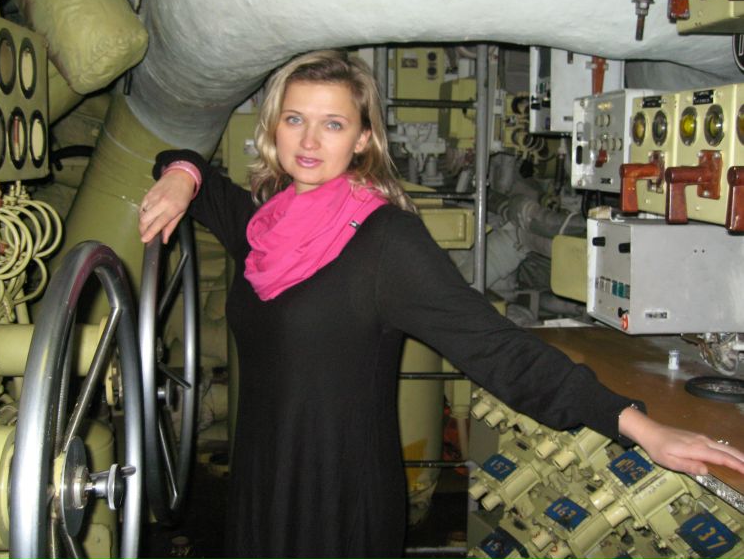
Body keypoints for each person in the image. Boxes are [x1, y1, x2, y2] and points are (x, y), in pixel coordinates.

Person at [138, 50, 744, 558]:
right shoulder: (264, 226)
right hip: (261, 478)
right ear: (274, 127)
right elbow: (182, 164)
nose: (309, 140)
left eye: (333, 124)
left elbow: (498, 350)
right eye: (295, 119)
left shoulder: (385, 241)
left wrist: (638, 426)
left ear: (363, 138)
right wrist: (182, 176)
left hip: (338, 495)